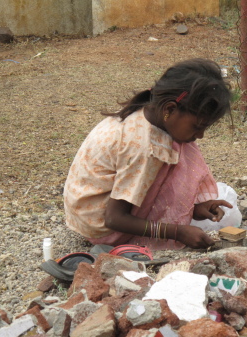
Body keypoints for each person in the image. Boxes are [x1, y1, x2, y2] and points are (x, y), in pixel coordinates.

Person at [63, 58, 233, 251]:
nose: (200, 136)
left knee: (181, 145)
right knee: (177, 149)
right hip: (101, 225)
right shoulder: (144, 147)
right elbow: (113, 219)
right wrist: (177, 232)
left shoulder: (150, 114)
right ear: (169, 109)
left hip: (92, 211)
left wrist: (194, 209)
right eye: (197, 127)